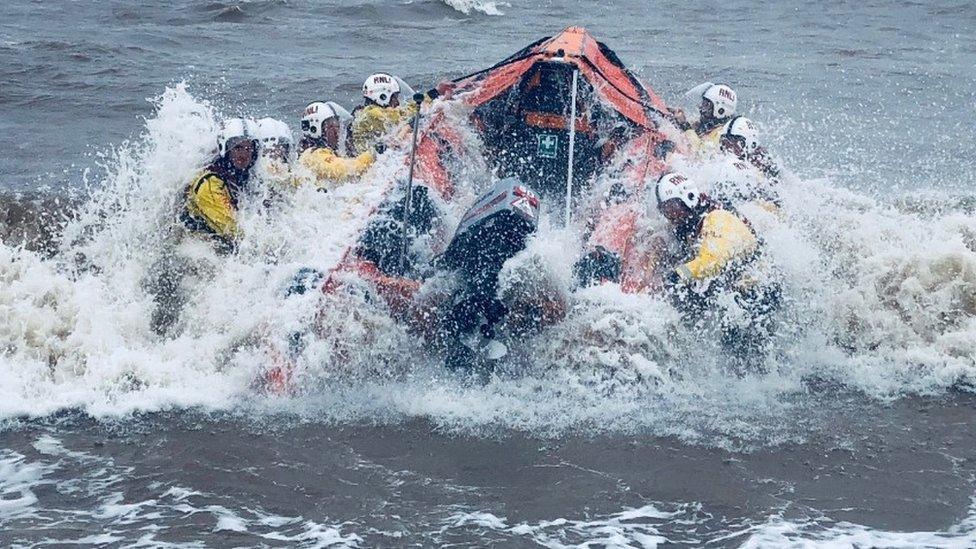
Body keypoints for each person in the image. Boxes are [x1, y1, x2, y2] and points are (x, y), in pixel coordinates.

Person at [654, 171, 778, 360]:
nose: (671, 216)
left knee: (742, 352)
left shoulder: (718, 217)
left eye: (673, 209)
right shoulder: (690, 221)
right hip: (738, 288)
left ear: (689, 198)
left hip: (760, 290)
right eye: (665, 211)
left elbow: (711, 261)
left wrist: (676, 275)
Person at [180, 117, 259, 251]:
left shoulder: (243, 177)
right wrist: (263, 242)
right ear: (226, 149)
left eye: (248, 148)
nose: (244, 154)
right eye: (238, 147)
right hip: (194, 250)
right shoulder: (209, 183)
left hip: (221, 244)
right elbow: (230, 227)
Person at [297, 101, 376, 188]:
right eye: (331, 127)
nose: (336, 132)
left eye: (337, 126)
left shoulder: (311, 153)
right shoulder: (315, 155)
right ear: (315, 129)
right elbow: (347, 170)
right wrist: (373, 153)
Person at [350, 73, 418, 154]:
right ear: (383, 96)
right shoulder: (372, 114)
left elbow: (403, 111)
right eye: (394, 97)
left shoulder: (370, 111)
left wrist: (433, 94)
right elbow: (401, 117)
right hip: (368, 162)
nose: (397, 103)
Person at [254, 117, 294, 188]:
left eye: (282, 147)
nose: (277, 152)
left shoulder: (293, 173)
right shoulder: (255, 177)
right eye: (272, 148)